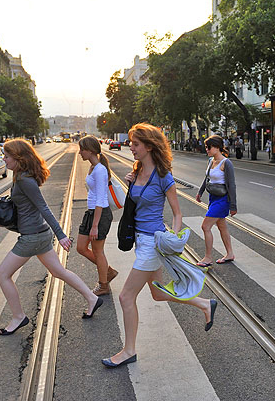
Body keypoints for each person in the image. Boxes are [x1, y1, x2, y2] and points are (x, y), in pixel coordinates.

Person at [103, 123, 216, 368]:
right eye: (131, 143)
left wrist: (173, 238)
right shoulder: (136, 171)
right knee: (156, 293)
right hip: (140, 240)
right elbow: (131, 206)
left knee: (125, 297)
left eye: (135, 144)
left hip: (153, 243)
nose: (130, 147)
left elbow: (177, 213)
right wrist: (129, 184)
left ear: (149, 146)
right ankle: (204, 304)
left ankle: (128, 350)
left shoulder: (164, 177)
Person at [0, 139, 102, 336]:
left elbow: (43, 207)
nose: (4, 159)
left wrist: (61, 235)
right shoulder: (20, 176)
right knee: (59, 272)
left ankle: (19, 316)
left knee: (2, 275)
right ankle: (92, 298)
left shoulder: (24, 180)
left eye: (7, 156)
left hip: (32, 238)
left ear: (18, 158)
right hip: (38, 234)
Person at [75, 135, 118, 296]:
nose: (79, 153)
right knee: (81, 247)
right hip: (92, 212)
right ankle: (108, 271)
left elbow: (101, 198)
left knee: (98, 251)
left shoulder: (100, 170)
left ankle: (103, 285)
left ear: (90, 150)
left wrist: (94, 226)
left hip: (99, 214)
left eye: (82, 150)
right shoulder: (93, 167)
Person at [195, 135, 237, 267]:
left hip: (223, 200)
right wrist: (200, 192)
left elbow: (232, 185)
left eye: (209, 147)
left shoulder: (226, 163)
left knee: (205, 226)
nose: (206, 149)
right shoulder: (210, 161)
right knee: (222, 226)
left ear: (217, 147)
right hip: (212, 198)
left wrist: (233, 205)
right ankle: (230, 253)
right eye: (206, 147)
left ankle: (208, 257)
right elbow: (207, 179)